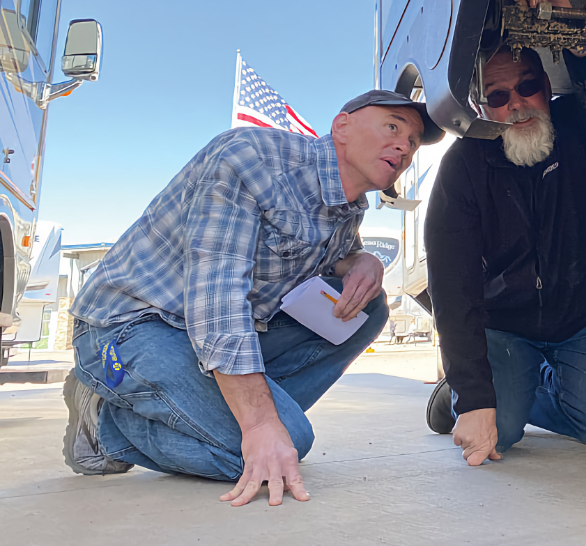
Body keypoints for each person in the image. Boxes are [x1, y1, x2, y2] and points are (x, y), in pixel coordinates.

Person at [65, 90, 443, 506]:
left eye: (412, 141)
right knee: (285, 443)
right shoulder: (252, 158)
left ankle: (223, 419)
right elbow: (218, 298)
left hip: (198, 334)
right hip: (130, 325)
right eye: (393, 126)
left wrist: (362, 258)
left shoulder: (349, 205)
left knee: (367, 307)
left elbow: (331, 257)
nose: (404, 147)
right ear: (342, 126)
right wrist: (261, 423)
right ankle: (105, 422)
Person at [424, 0, 586, 465]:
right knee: (505, 434)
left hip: (583, 319)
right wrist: (475, 399)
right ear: (481, 105)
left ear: (546, 86)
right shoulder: (463, 166)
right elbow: (451, 288)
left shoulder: (583, 132)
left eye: (528, 86)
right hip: (506, 325)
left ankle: (517, 391)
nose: (516, 103)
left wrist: (570, 31)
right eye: (498, 97)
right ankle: (460, 394)